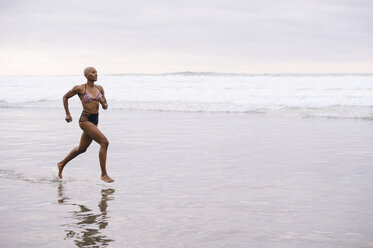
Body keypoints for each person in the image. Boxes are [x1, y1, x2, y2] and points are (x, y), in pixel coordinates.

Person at [57, 67, 114, 183]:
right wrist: (68, 114)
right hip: (85, 120)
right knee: (104, 142)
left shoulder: (100, 88)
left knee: (81, 149)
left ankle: (61, 164)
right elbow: (65, 97)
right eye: (93, 73)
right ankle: (104, 174)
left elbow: (105, 106)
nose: (96, 74)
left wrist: (104, 103)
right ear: (86, 75)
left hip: (95, 120)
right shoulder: (80, 88)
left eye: (96, 72)